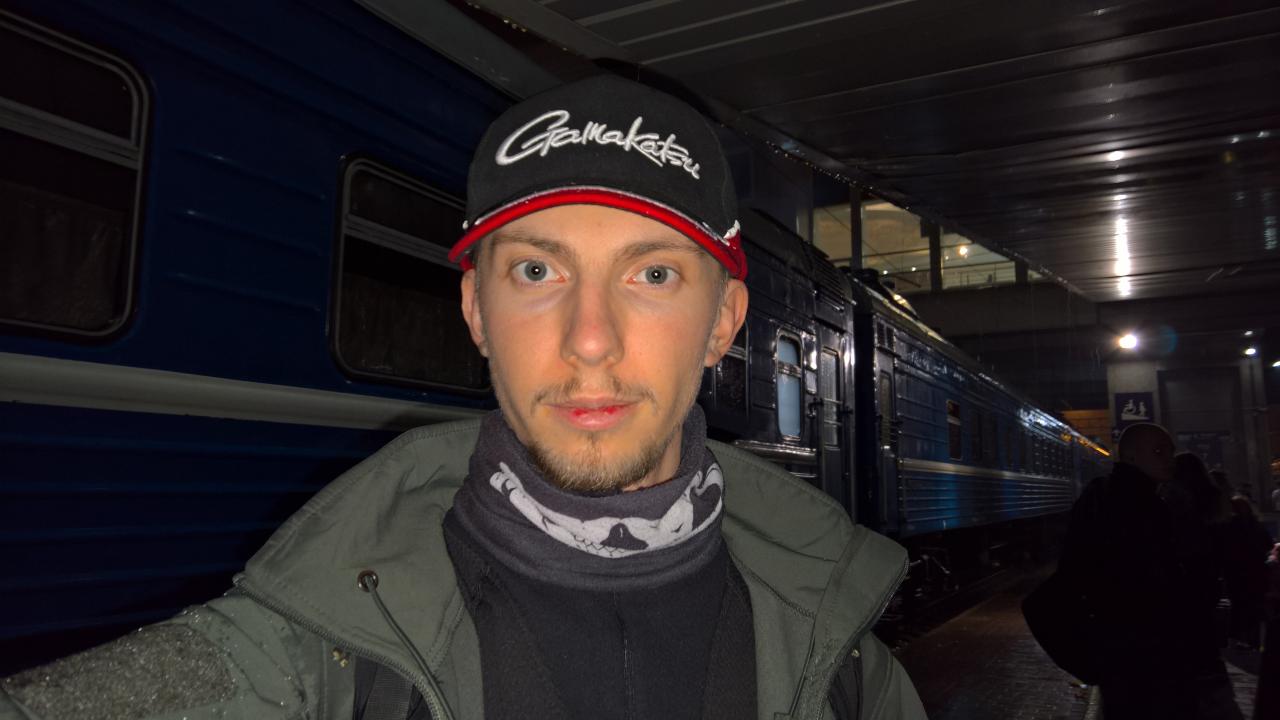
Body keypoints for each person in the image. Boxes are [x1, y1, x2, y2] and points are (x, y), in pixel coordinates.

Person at [0, 75, 925, 720]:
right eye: (536, 271)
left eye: (651, 274)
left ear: (722, 323)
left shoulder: (847, 669)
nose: (589, 339)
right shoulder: (316, 655)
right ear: (478, 312)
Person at [1055, 423, 1241, 720]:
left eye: (1170, 451)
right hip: (1148, 650)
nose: (1169, 459)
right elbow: (1153, 583)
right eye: (1158, 451)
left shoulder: (1115, 497)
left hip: (1126, 649)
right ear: (1131, 456)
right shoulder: (1141, 505)